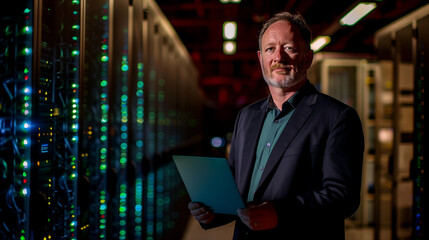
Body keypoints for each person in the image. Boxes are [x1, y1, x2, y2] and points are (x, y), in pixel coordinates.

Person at [188, 11, 364, 240]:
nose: (278, 57)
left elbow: (343, 197)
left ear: (308, 58)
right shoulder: (247, 116)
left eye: (289, 48)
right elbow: (235, 188)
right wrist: (212, 212)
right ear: (261, 58)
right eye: (270, 49)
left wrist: (281, 213)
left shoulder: (337, 117)